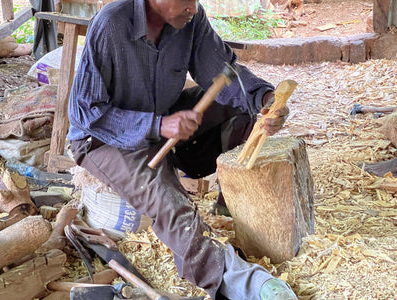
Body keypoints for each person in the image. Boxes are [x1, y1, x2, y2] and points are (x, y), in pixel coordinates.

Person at [67, 0, 298, 299]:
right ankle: (243, 281)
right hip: (105, 138)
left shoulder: (190, 18)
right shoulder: (112, 24)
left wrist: (264, 99)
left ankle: (229, 203)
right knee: (168, 200)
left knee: (240, 108)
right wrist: (159, 126)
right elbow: (85, 112)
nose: (194, 6)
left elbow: (224, 74)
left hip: (162, 119)